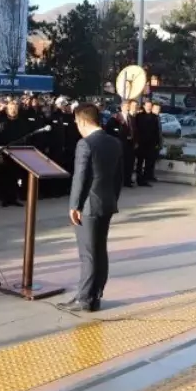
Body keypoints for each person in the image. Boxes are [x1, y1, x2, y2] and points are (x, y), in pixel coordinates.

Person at [61, 104, 123, 313]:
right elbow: (118, 176)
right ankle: (94, 295)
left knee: (87, 254)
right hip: (106, 202)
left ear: (82, 121)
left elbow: (80, 178)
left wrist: (74, 205)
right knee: (100, 251)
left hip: (88, 205)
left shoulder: (85, 144)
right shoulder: (114, 142)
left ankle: (85, 299)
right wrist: (113, 199)